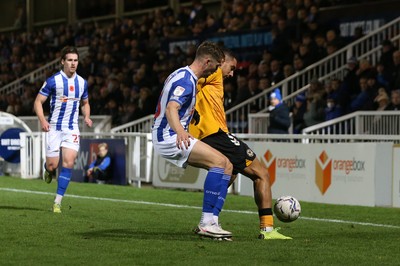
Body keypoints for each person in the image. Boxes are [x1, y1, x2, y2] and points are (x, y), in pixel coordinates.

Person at [189, 47, 292, 240]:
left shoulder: (198, 81)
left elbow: (192, 82)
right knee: (261, 173)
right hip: (216, 134)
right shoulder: (215, 73)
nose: (232, 73)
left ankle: (209, 221)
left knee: (230, 173)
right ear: (221, 62)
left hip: (201, 136)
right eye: (232, 67)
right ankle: (268, 230)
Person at [151, 41, 233, 239]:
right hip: (169, 136)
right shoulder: (187, 82)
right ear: (206, 62)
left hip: (170, 133)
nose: (216, 71)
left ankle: (212, 220)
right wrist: (180, 131)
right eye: (215, 66)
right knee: (219, 162)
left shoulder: (181, 73)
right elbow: (172, 108)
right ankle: (206, 223)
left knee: (228, 166)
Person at [34, 46, 93, 213]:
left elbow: (85, 103)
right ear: (62, 61)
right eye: (70, 60)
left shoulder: (82, 83)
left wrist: (86, 116)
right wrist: (43, 120)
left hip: (72, 128)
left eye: (75, 60)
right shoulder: (53, 81)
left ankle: (57, 202)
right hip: (54, 128)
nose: (73, 63)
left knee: (69, 162)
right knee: (53, 165)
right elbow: (38, 102)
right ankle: (47, 169)